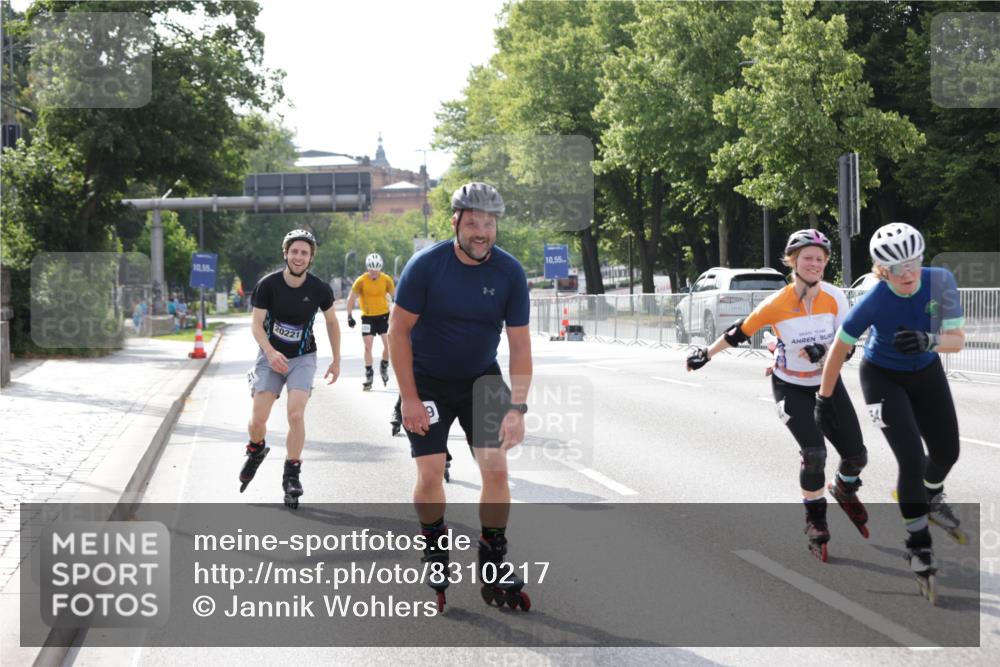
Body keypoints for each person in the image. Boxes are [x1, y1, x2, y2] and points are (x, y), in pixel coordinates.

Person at [388, 182, 532, 612]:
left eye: (489, 223)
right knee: (431, 472)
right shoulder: (426, 266)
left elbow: (521, 346)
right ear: (456, 222)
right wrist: (409, 398)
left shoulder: (509, 272)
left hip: (481, 380)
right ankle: (434, 547)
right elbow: (398, 332)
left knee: (497, 471)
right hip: (427, 381)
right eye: (473, 223)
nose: (481, 231)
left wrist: (517, 407)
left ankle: (493, 556)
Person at [686, 229, 869, 562]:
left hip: (827, 385)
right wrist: (706, 354)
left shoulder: (835, 298)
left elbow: (850, 345)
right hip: (791, 388)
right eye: (807, 258)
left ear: (826, 263)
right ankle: (815, 521)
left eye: (820, 259)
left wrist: (828, 351)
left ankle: (844, 486)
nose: (814, 264)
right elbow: (739, 332)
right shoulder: (777, 303)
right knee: (814, 453)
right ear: (793, 261)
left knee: (857, 456)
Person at [816, 222, 966, 602]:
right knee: (912, 460)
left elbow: (958, 341)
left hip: (926, 368)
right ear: (883, 270)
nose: (909, 273)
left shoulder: (942, 280)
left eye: (913, 261)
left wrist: (929, 340)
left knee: (948, 451)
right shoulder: (875, 301)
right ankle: (918, 544)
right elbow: (838, 348)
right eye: (897, 268)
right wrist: (824, 397)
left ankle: (928, 497)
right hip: (882, 377)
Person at [239, 228, 341, 509]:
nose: (298, 257)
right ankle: (256, 449)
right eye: (294, 251)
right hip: (270, 356)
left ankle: (292, 473)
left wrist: (336, 359)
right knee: (258, 420)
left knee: (296, 414)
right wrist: (270, 353)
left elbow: (332, 322)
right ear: (286, 254)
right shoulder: (268, 285)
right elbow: (256, 323)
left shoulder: (319, 288)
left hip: (302, 357)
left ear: (310, 258)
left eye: (304, 253)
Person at [346, 253, 395, 390]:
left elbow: (395, 296)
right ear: (368, 268)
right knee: (368, 346)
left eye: (377, 270)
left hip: (383, 316)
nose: (374, 273)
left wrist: (396, 314)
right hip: (367, 317)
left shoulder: (386, 280)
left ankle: (384, 366)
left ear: (380, 269)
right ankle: (369, 374)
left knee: (388, 344)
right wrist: (349, 316)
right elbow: (351, 298)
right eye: (372, 270)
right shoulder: (361, 281)